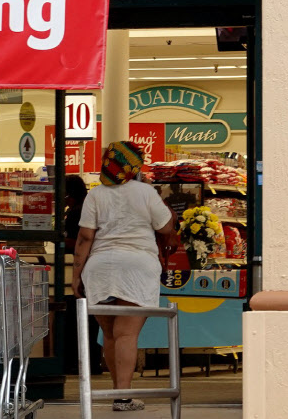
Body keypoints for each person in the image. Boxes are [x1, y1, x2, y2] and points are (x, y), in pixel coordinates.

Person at [72, 141, 174, 412]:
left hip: (100, 267)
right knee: (127, 333)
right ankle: (123, 397)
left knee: (110, 333)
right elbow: (165, 228)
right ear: (134, 166)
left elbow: (84, 238)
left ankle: (120, 394)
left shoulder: (95, 195)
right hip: (137, 267)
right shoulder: (145, 192)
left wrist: (76, 275)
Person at [64, 175, 103, 375]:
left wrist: (60, 240)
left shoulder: (77, 212)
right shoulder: (87, 208)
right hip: (93, 270)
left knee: (78, 319)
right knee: (92, 320)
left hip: (83, 270)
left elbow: (80, 240)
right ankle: (92, 361)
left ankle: (80, 362)